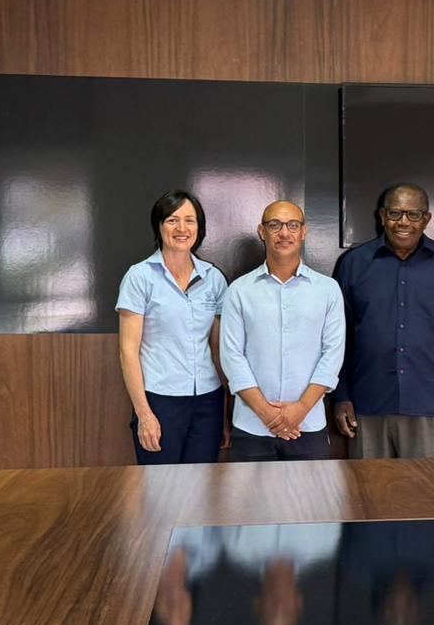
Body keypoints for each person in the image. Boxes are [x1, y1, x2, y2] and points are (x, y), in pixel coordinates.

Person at [332, 184, 434, 458]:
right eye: (395, 213)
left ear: (427, 219)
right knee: (369, 496)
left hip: (431, 402)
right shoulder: (354, 264)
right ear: (382, 215)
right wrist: (341, 395)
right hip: (368, 402)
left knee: (429, 496)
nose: (404, 223)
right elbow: (339, 337)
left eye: (414, 215)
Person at [221, 200, 345, 461]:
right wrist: (266, 413)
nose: (284, 233)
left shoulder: (328, 289)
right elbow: (232, 356)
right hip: (252, 427)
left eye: (292, 225)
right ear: (261, 231)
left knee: (308, 502)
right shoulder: (239, 291)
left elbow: (333, 354)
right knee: (248, 503)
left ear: (304, 232)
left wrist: (300, 409)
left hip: (307, 425)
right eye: (274, 225)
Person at [117, 190, 229, 465]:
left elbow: (218, 351)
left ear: (199, 228)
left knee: (202, 490)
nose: (182, 229)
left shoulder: (214, 279)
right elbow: (128, 351)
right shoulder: (140, 276)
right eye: (172, 220)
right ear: (159, 225)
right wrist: (144, 414)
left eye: (190, 221)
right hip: (159, 400)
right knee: (161, 492)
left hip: (207, 401)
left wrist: (225, 414)